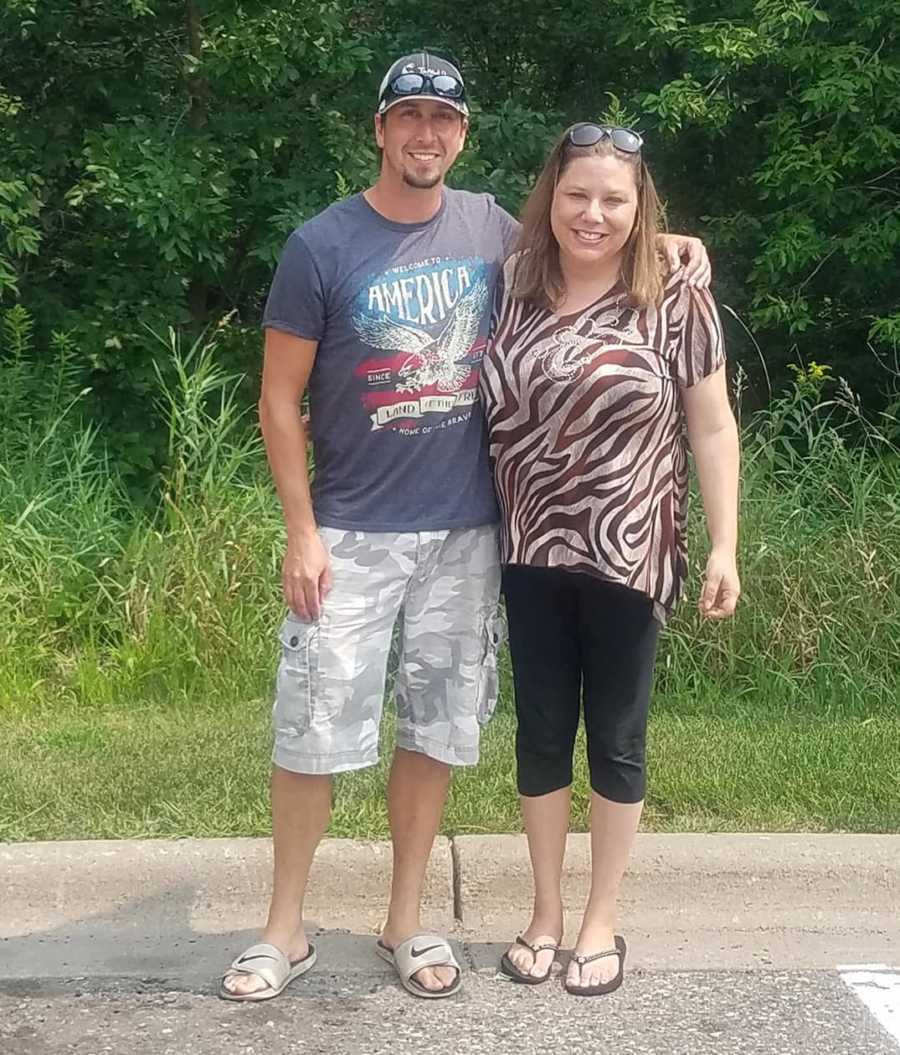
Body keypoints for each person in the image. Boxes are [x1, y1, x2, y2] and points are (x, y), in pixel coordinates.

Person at [220, 54, 711, 1002]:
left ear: (462, 135)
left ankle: (407, 920)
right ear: (379, 130)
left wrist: (682, 242)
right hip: (353, 531)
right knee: (313, 730)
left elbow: (599, 231)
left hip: (467, 534)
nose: (424, 136)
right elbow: (279, 403)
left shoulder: (492, 228)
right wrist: (300, 529)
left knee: (434, 732)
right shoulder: (320, 246)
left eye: (441, 121)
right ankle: (284, 927)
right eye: (407, 118)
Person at [480, 123, 741, 997]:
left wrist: (725, 544)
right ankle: (547, 912)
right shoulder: (509, 282)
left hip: (631, 553)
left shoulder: (674, 294)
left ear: (642, 209)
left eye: (615, 199)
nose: (593, 214)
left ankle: (600, 920)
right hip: (527, 551)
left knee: (617, 743)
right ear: (549, 197)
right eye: (576, 195)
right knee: (542, 734)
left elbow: (711, 425)